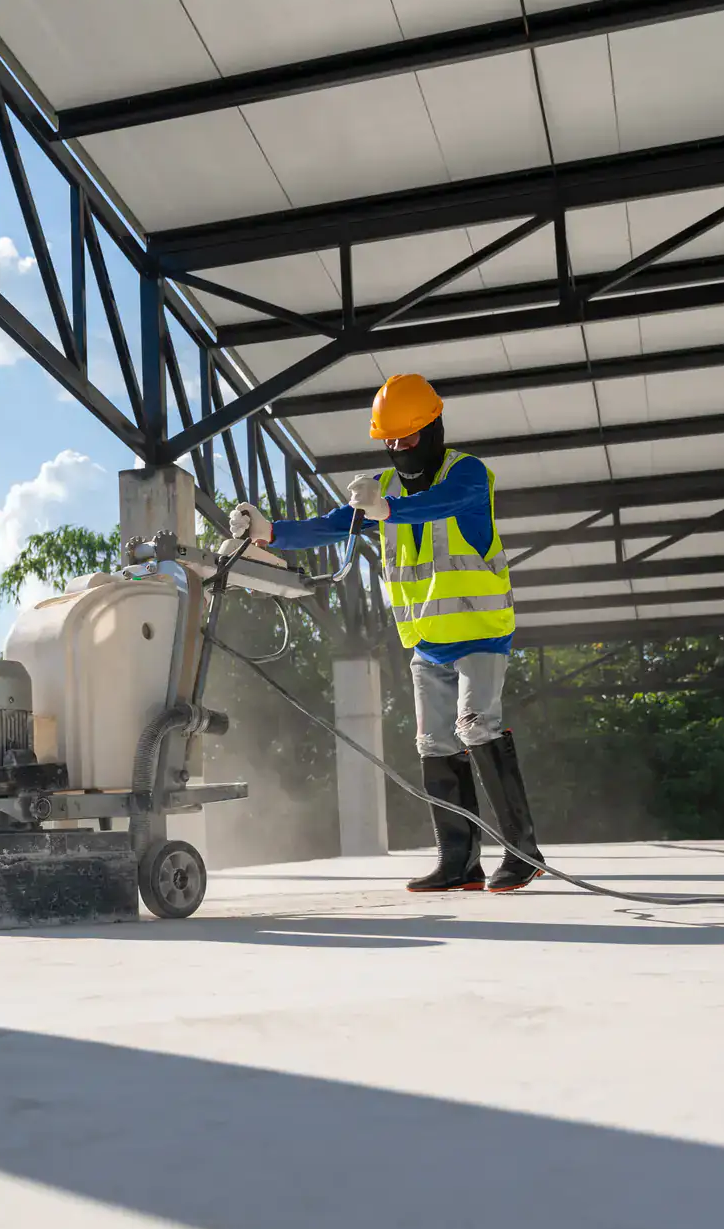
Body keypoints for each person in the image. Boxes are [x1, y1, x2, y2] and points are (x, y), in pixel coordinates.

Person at [225, 373, 544, 893]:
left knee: (476, 727)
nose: (399, 450)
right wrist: (272, 532)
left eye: (408, 439)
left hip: (481, 634)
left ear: (433, 429)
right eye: (390, 442)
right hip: (427, 644)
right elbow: (335, 524)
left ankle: (522, 852)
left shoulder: (470, 476)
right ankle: (459, 862)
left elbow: (438, 506)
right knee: (433, 744)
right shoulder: (386, 490)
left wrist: (386, 511)